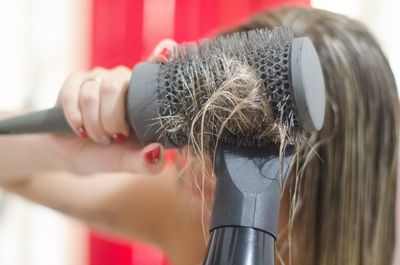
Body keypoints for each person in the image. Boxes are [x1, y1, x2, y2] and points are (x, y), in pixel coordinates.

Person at [0, 7, 398, 265]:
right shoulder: (190, 216)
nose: (201, 166)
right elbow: (13, 167)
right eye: (209, 130)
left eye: (245, 142)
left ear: (329, 193)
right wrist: (66, 152)